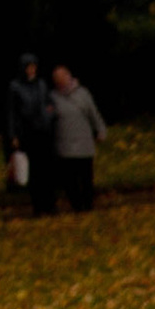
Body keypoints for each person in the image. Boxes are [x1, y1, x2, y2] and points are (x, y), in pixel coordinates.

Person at [48, 62, 107, 213]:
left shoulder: (83, 93)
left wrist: (100, 130)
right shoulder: (52, 97)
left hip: (84, 143)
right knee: (70, 179)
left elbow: (93, 113)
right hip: (64, 145)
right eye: (57, 79)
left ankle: (88, 205)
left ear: (69, 76)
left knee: (86, 177)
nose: (60, 81)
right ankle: (77, 205)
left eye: (62, 77)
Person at [5, 53, 56, 215]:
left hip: (44, 131)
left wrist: (49, 114)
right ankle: (39, 205)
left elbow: (49, 104)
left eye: (34, 66)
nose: (32, 70)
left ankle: (50, 204)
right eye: (29, 67)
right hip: (28, 132)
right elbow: (12, 113)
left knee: (47, 168)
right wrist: (13, 135)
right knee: (34, 170)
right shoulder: (15, 87)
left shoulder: (41, 84)